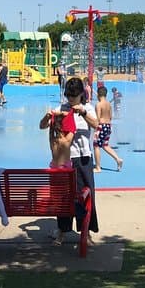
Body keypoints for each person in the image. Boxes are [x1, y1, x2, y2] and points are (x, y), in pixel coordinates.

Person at [51, 77, 99, 246]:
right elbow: (48, 125)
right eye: (68, 95)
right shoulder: (62, 108)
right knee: (64, 196)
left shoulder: (88, 108)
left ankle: (86, 232)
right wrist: (53, 117)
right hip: (66, 158)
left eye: (74, 95)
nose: (70, 99)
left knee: (87, 196)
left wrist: (83, 113)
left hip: (83, 157)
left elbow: (96, 124)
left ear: (81, 94)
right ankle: (62, 230)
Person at [93, 86, 123, 173]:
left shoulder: (98, 104)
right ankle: (118, 159)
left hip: (101, 126)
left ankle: (98, 167)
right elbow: (110, 116)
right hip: (109, 126)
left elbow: (98, 118)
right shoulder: (109, 104)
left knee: (96, 146)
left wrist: (95, 128)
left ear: (98, 95)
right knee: (105, 145)